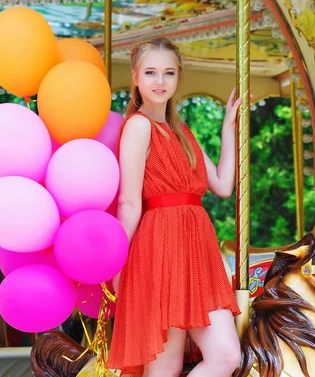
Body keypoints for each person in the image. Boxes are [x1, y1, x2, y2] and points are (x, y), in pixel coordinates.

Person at [107, 37, 244, 377]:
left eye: (168, 73)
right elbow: (129, 202)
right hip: (158, 249)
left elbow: (223, 185)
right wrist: (118, 267)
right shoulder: (139, 126)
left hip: (196, 249)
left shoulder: (182, 131)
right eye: (151, 72)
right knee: (164, 369)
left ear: (178, 79)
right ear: (136, 77)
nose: (159, 81)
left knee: (226, 356)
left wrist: (228, 129)